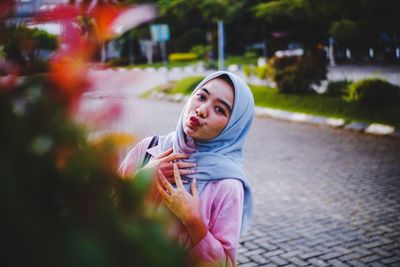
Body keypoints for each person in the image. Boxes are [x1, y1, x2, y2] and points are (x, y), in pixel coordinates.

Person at [118, 71, 254, 266]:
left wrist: (194, 222)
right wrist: (142, 178)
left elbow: (225, 264)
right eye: (201, 97)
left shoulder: (227, 185)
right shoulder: (149, 149)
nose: (201, 110)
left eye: (219, 109)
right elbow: (105, 212)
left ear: (233, 127)